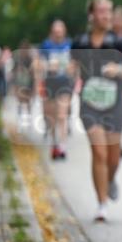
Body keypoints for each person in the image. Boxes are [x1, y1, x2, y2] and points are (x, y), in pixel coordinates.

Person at [72, 0, 122, 222]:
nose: (107, 16)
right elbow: (72, 69)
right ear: (92, 15)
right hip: (89, 103)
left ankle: (110, 179)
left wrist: (118, 70)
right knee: (99, 151)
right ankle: (102, 204)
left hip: (113, 104)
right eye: (102, 11)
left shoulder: (119, 43)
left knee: (113, 157)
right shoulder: (80, 42)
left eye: (109, 11)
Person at [37, 20, 75, 160]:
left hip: (64, 83)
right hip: (50, 83)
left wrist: (70, 71)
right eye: (56, 30)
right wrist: (47, 66)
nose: (58, 33)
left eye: (60, 30)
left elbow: (74, 64)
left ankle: (62, 147)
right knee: (52, 117)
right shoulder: (46, 45)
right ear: (52, 31)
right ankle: (54, 143)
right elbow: (40, 63)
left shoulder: (69, 44)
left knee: (62, 115)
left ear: (64, 31)